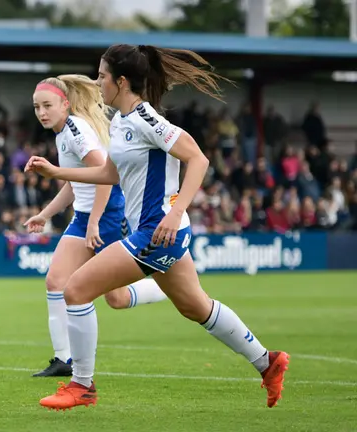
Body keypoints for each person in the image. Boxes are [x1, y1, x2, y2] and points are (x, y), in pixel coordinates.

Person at [26, 44, 289, 410]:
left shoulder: (145, 119)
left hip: (157, 231)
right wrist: (57, 172)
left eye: (102, 76)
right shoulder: (119, 122)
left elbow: (198, 159)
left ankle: (81, 386)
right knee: (197, 307)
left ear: (120, 81)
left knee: (75, 289)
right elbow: (110, 174)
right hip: (160, 232)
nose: (97, 83)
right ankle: (268, 362)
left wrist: (175, 208)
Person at [26, 74, 167, 378]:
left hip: (104, 217)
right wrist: (45, 214)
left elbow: (105, 176)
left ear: (65, 104)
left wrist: (93, 224)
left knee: (107, 296)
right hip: (87, 217)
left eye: (47, 105)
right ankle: (64, 359)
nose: (42, 112)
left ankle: (163, 287)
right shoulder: (63, 132)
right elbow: (73, 183)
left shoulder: (76, 130)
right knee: (64, 284)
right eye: (37, 107)